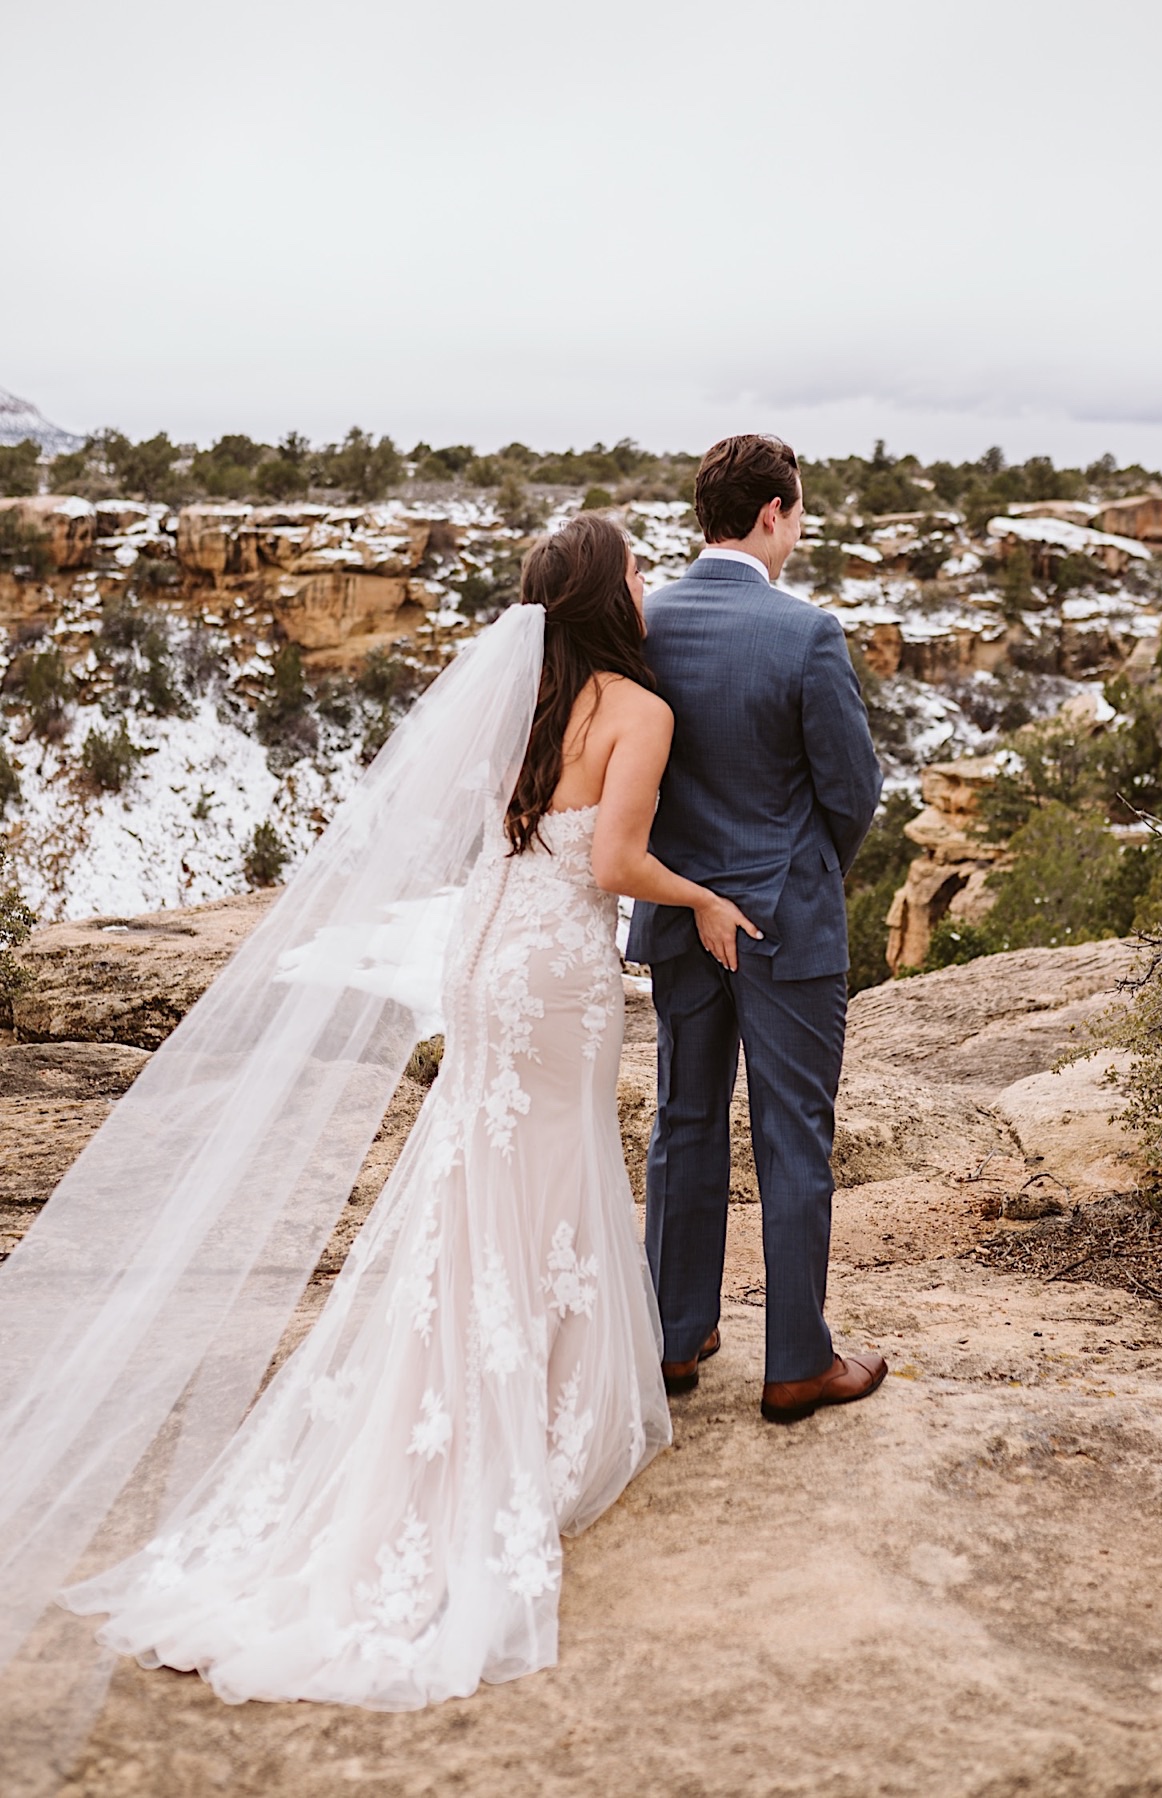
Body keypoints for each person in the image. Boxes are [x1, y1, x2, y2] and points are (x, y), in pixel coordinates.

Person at [47, 513, 760, 1711]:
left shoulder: (522, 704)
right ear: (603, 595)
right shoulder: (641, 713)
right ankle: (531, 1411)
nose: (650, 586)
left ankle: (474, 1388)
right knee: (549, 1171)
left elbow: (516, 843)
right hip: (555, 976)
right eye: (637, 570)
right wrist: (706, 896)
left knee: (479, 1179)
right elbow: (613, 865)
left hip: (480, 965)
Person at [626, 434, 888, 1425]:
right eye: (800, 509)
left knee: (684, 1120)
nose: (801, 525)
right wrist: (802, 872)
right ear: (773, 512)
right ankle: (796, 1362)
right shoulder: (806, 632)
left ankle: (674, 1336)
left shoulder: (646, 621)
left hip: (679, 907)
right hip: (785, 922)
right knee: (792, 1136)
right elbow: (853, 790)